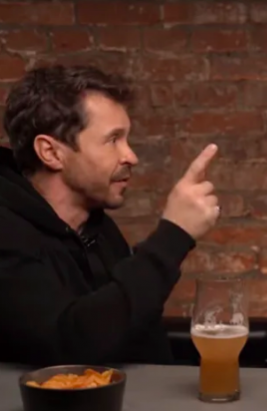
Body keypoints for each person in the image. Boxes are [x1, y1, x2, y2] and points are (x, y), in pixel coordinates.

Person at [0, 65, 220, 366]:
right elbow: (67, 346)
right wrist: (174, 235)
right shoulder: (7, 232)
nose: (131, 156)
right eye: (113, 139)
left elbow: (139, 340)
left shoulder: (99, 230)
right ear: (51, 153)